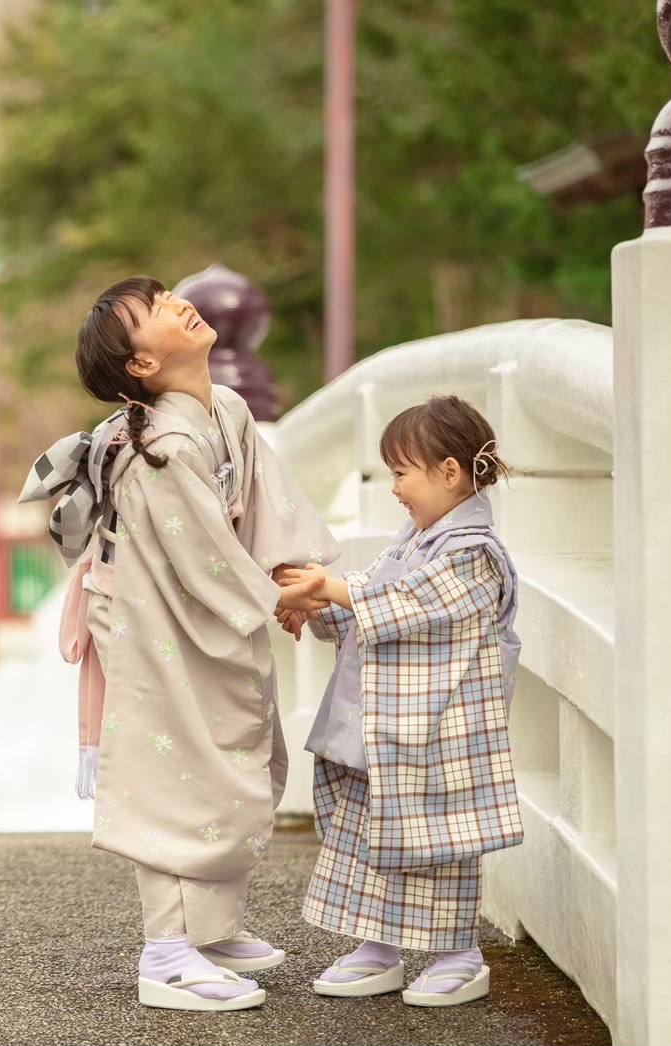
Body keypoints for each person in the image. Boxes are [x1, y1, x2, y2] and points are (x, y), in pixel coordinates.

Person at [20, 277, 338, 1012]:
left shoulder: (223, 410)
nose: (177, 304)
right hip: (148, 618)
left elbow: (263, 508)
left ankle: (210, 929)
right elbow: (200, 553)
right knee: (173, 768)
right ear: (140, 367)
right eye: (153, 312)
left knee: (230, 753)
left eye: (165, 294)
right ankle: (165, 952)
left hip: (195, 610)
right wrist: (275, 595)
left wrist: (289, 572)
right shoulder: (156, 445)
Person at [278, 395, 524, 1008]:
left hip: (437, 732)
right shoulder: (415, 540)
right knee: (368, 833)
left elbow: (414, 605)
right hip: (386, 726)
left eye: (400, 472)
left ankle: (459, 953)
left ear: (449, 472)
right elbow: (377, 595)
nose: (393, 489)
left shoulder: (474, 552)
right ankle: (380, 944)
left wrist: (331, 588)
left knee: (435, 843)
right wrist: (321, 600)